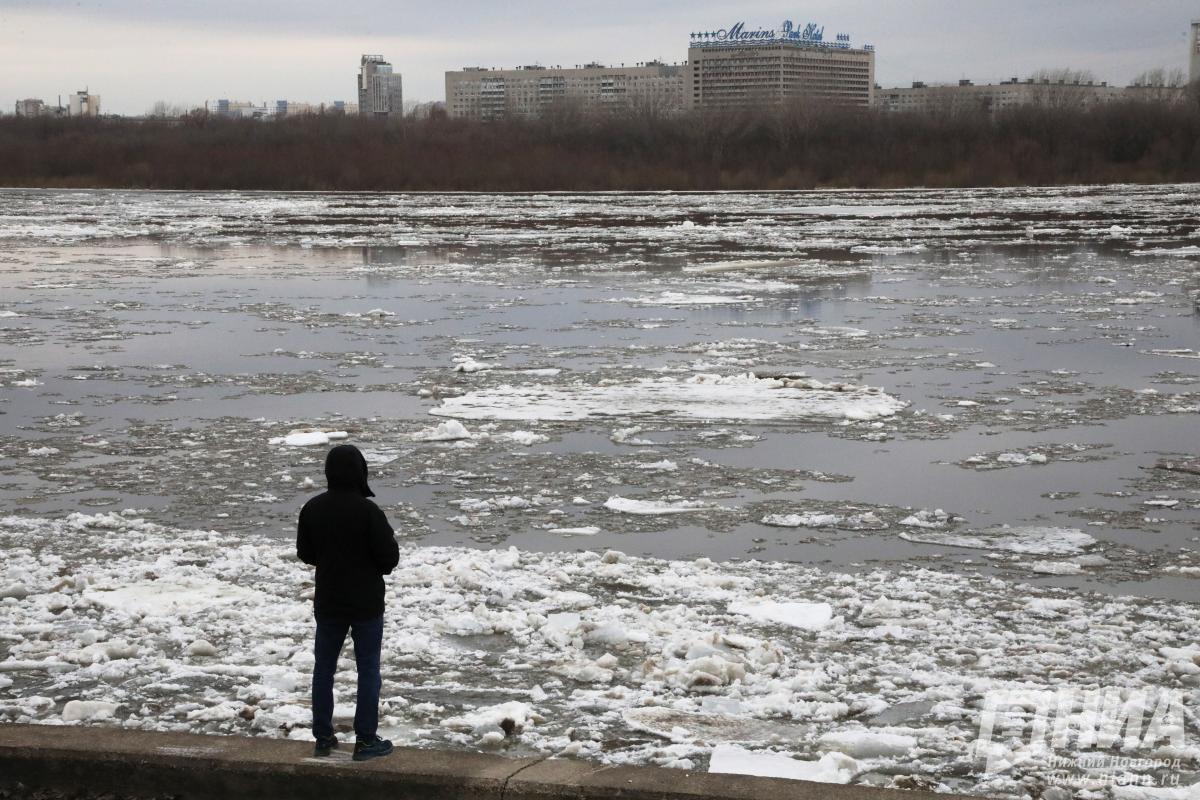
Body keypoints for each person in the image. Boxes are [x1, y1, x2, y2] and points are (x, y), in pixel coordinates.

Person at [297, 444, 400, 761]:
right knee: (368, 670)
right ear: (360, 472)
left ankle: (323, 737)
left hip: (329, 602)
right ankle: (366, 740)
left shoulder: (312, 508)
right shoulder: (369, 512)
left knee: (323, 669)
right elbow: (388, 559)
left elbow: (305, 553)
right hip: (366, 604)